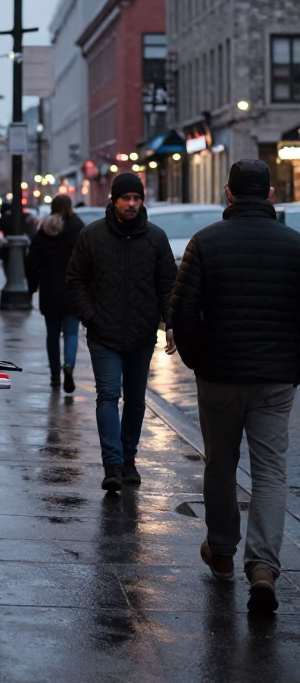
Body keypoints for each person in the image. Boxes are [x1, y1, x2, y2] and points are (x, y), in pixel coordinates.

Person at [170, 159, 300, 614]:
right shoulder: (294, 245)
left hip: (220, 375)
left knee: (221, 463)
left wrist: (198, 360)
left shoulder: (205, 243)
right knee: (270, 472)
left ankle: (222, 551)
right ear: (269, 195)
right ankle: (263, 566)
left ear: (228, 194)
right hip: (275, 378)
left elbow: (181, 314)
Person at [66, 171, 177, 493]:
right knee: (108, 395)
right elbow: (76, 281)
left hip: (142, 334)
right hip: (104, 333)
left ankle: (129, 458)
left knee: (137, 401)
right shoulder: (93, 236)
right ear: (114, 200)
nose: (131, 204)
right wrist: (91, 317)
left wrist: (170, 322)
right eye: (126, 198)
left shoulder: (155, 238)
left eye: (136, 198)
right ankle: (112, 463)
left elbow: (168, 283)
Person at [26, 194, 84, 392]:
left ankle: (54, 375)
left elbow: (32, 264)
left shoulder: (43, 232)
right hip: (72, 289)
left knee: (52, 335)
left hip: (50, 290)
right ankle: (69, 365)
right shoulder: (78, 229)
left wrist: (32, 287)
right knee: (71, 333)